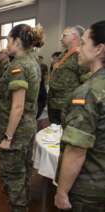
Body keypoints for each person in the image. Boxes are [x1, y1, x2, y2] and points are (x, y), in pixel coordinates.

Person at [54, 20, 105, 212]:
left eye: (83, 43)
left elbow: (76, 151)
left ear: (99, 49)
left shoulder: (88, 93)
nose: (79, 49)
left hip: (89, 189)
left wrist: (62, 192)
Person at [0, 24, 44, 212]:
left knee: (12, 175)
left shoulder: (18, 65)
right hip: (29, 125)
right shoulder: (33, 59)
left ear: (17, 41)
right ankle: (23, 203)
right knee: (24, 169)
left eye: (8, 40)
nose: (7, 44)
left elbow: (17, 106)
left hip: (17, 130)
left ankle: (19, 207)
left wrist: (8, 138)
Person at [48, 26, 86, 125]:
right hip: (54, 102)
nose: (61, 38)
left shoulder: (81, 55)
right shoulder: (63, 55)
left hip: (67, 105)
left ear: (74, 37)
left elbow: (86, 81)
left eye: (64, 36)